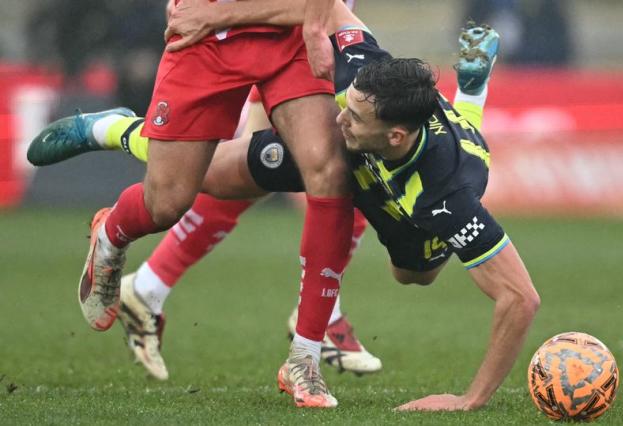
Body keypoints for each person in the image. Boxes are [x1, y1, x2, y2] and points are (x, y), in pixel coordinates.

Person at [30, 3, 540, 411]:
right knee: (188, 186)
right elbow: (336, 14)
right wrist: (224, 16)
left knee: (415, 273)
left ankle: (471, 92)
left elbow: (521, 299)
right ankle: (118, 134)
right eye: (349, 103)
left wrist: (469, 401)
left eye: (356, 116)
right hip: (241, 42)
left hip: (417, 176)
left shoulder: (445, 197)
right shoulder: (364, 73)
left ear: (394, 133)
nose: (340, 117)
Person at [67, 0, 354, 409]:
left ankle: (304, 359)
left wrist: (319, 26)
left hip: (287, 27)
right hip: (208, 37)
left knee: (331, 170)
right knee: (168, 200)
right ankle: (111, 233)